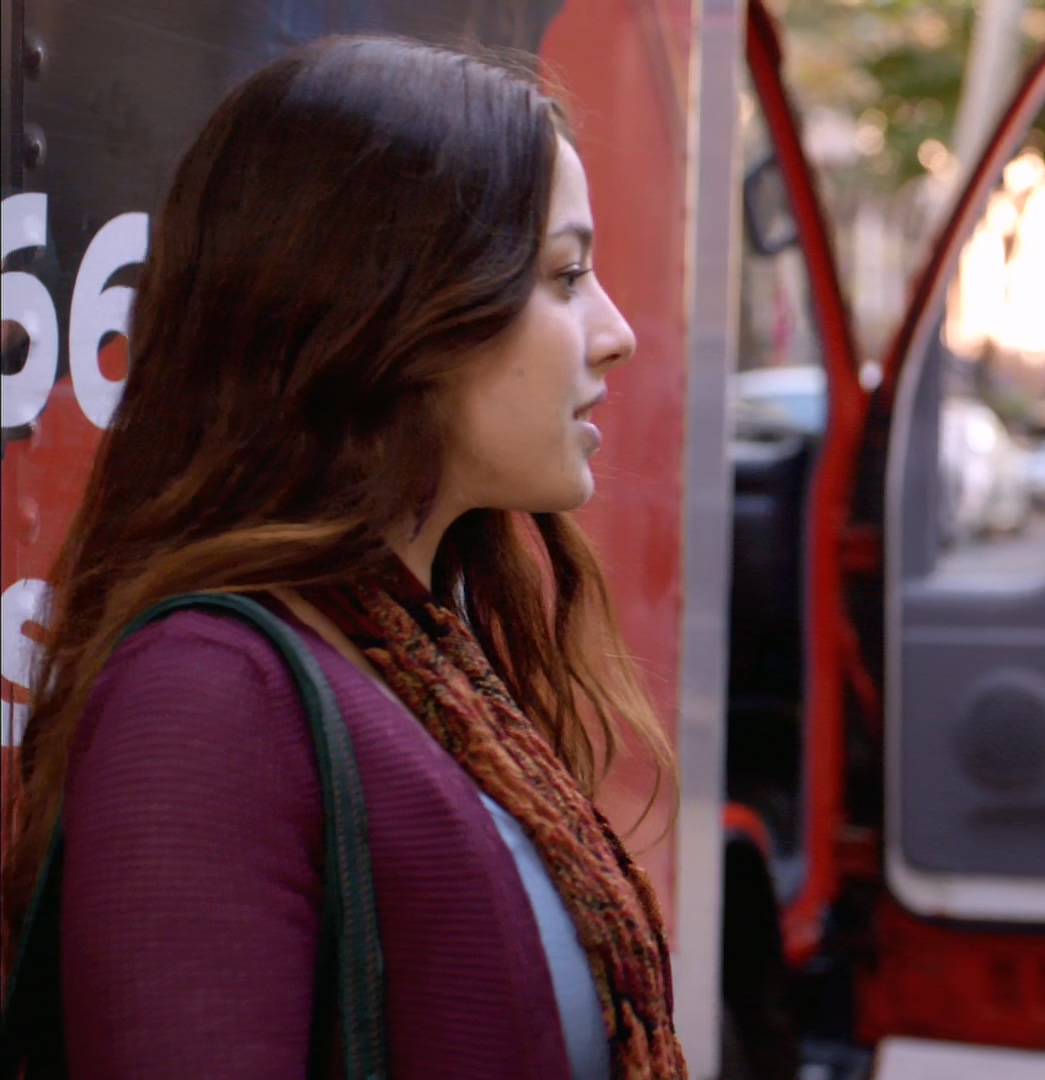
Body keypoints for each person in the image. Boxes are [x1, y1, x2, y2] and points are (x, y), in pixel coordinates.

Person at [2, 37, 686, 1077]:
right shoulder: (204, 699)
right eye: (564, 275)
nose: (616, 333)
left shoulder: (412, 648)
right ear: (387, 310)